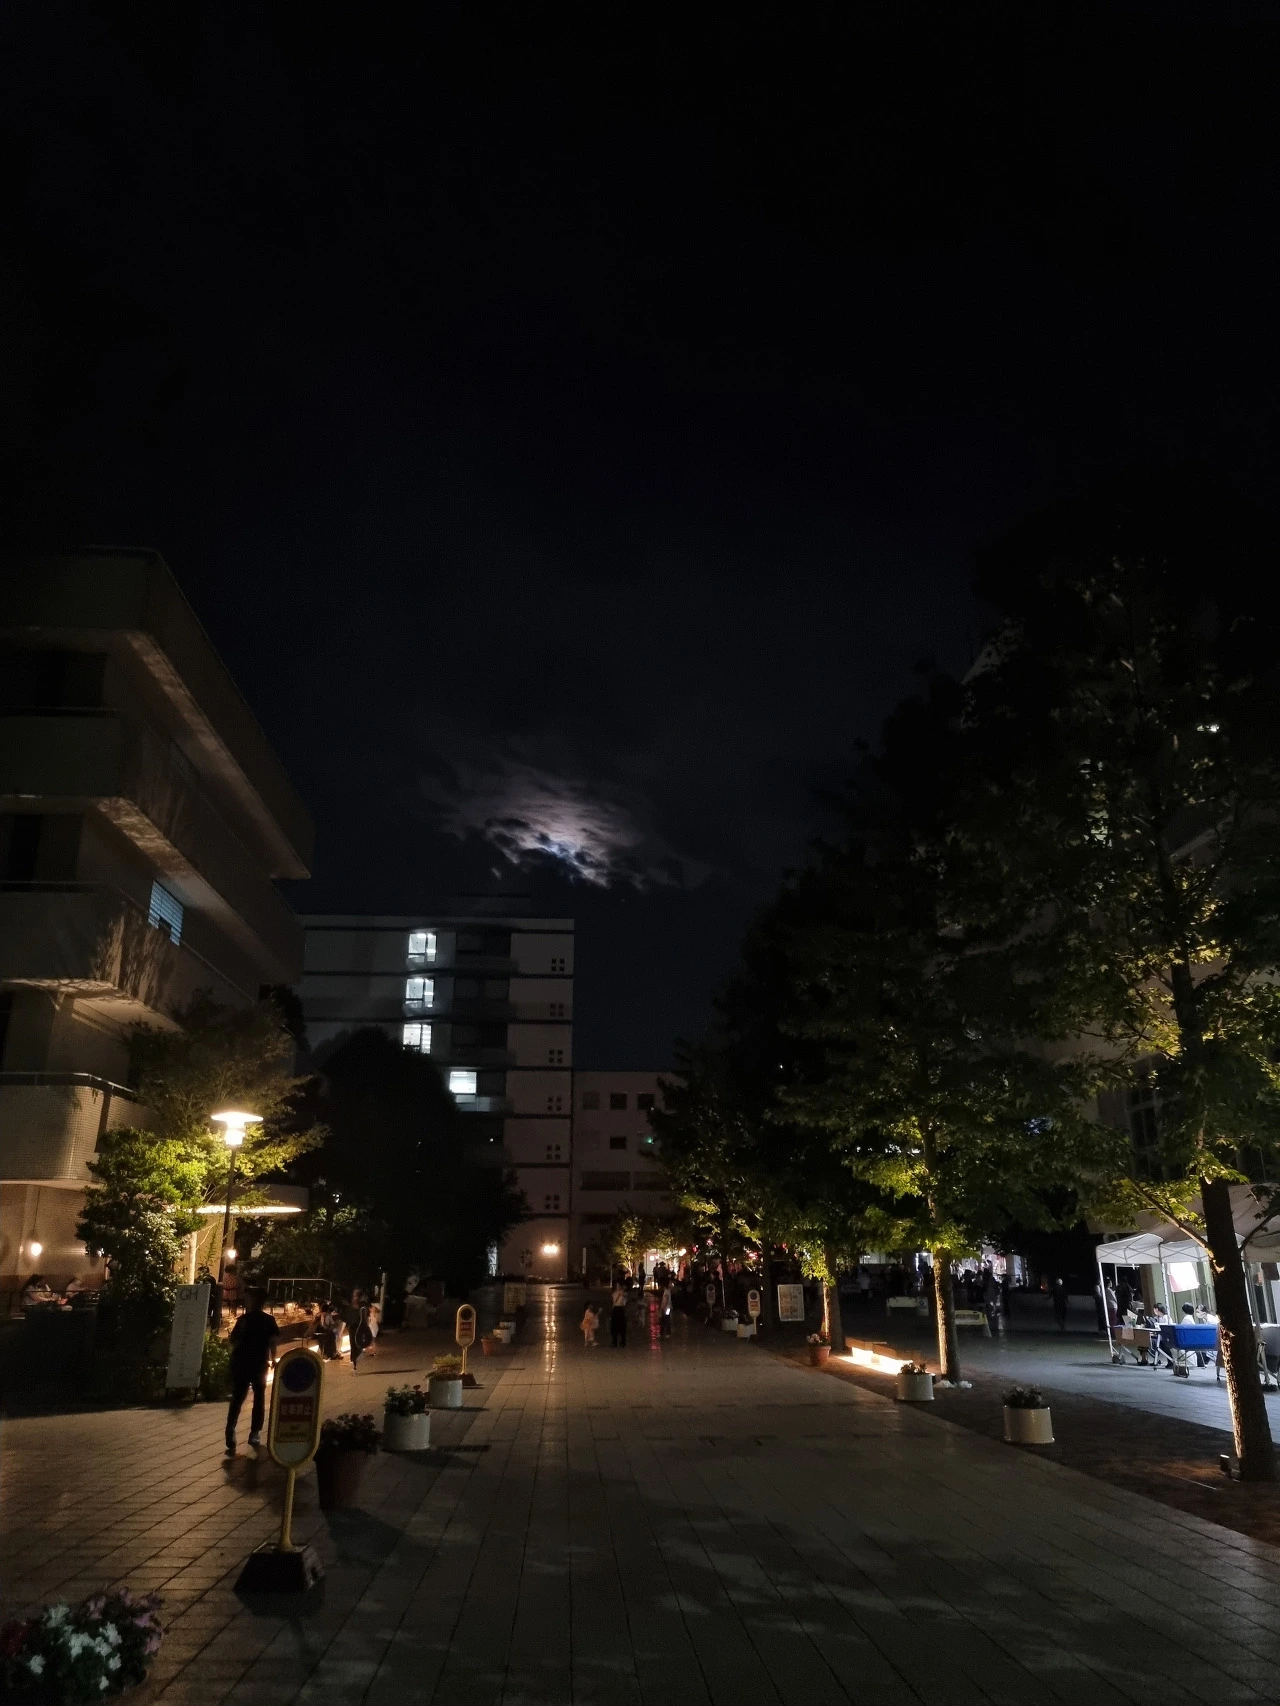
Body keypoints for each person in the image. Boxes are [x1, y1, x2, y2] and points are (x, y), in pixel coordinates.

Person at [225, 1288, 279, 1453]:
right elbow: (273, 1342)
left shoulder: (244, 1319)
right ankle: (255, 1433)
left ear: (252, 1301)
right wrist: (273, 1359)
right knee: (259, 1398)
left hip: (242, 1361)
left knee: (238, 1397)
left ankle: (231, 1428)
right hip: (259, 1363)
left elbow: (233, 1340)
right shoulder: (269, 1320)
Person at [348, 1289, 373, 1369]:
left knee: (358, 1344)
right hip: (352, 1327)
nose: (355, 1297)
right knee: (353, 1344)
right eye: (354, 1295)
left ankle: (355, 1360)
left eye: (356, 1295)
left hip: (360, 1327)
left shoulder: (363, 1305)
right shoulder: (351, 1305)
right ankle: (354, 1361)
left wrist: (366, 1327)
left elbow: (366, 1317)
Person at [609, 1282, 628, 1348]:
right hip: (617, 1309)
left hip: (619, 1309)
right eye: (617, 1285)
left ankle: (619, 1342)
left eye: (619, 1285)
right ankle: (617, 1341)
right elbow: (623, 1302)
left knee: (620, 1326)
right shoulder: (615, 1293)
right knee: (616, 1326)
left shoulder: (622, 1293)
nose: (618, 1287)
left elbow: (624, 1302)